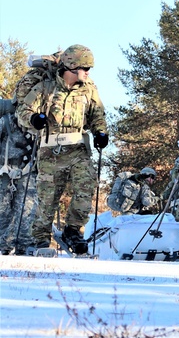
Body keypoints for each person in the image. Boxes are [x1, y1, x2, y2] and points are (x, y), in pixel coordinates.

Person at [16, 44, 109, 255]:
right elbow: (23, 110)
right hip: (50, 152)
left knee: (86, 188)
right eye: (85, 68)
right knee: (48, 198)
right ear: (72, 67)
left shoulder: (89, 89)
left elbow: (98, 115)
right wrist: (33, 118)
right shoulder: (46, 88)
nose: (88, 72)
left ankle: (72, 230)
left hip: (78, 149)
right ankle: (40, 238)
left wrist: (101, 133)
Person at [0, 112, 38, 254]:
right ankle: (4, 245)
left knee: (27, 210)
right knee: (3, 211)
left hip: (28, 171)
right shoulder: (6, 121)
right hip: (5, 171)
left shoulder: (37, 125)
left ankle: (24, 245)